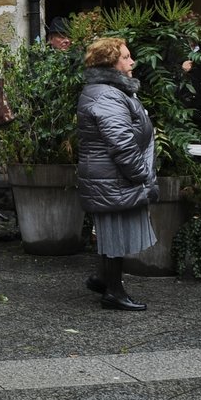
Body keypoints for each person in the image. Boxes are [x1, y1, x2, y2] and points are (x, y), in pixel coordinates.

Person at [74, 37, 159, 310]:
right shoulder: (107, 94)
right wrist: (140, 174)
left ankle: (104, 279)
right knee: (114, 233)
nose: (132, 61)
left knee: (113, 231)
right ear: (110, 63)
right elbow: (121, 143)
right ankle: (113, 292)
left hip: (110, 175)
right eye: (125, 56)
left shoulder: (113, 90)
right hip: (112, 176)